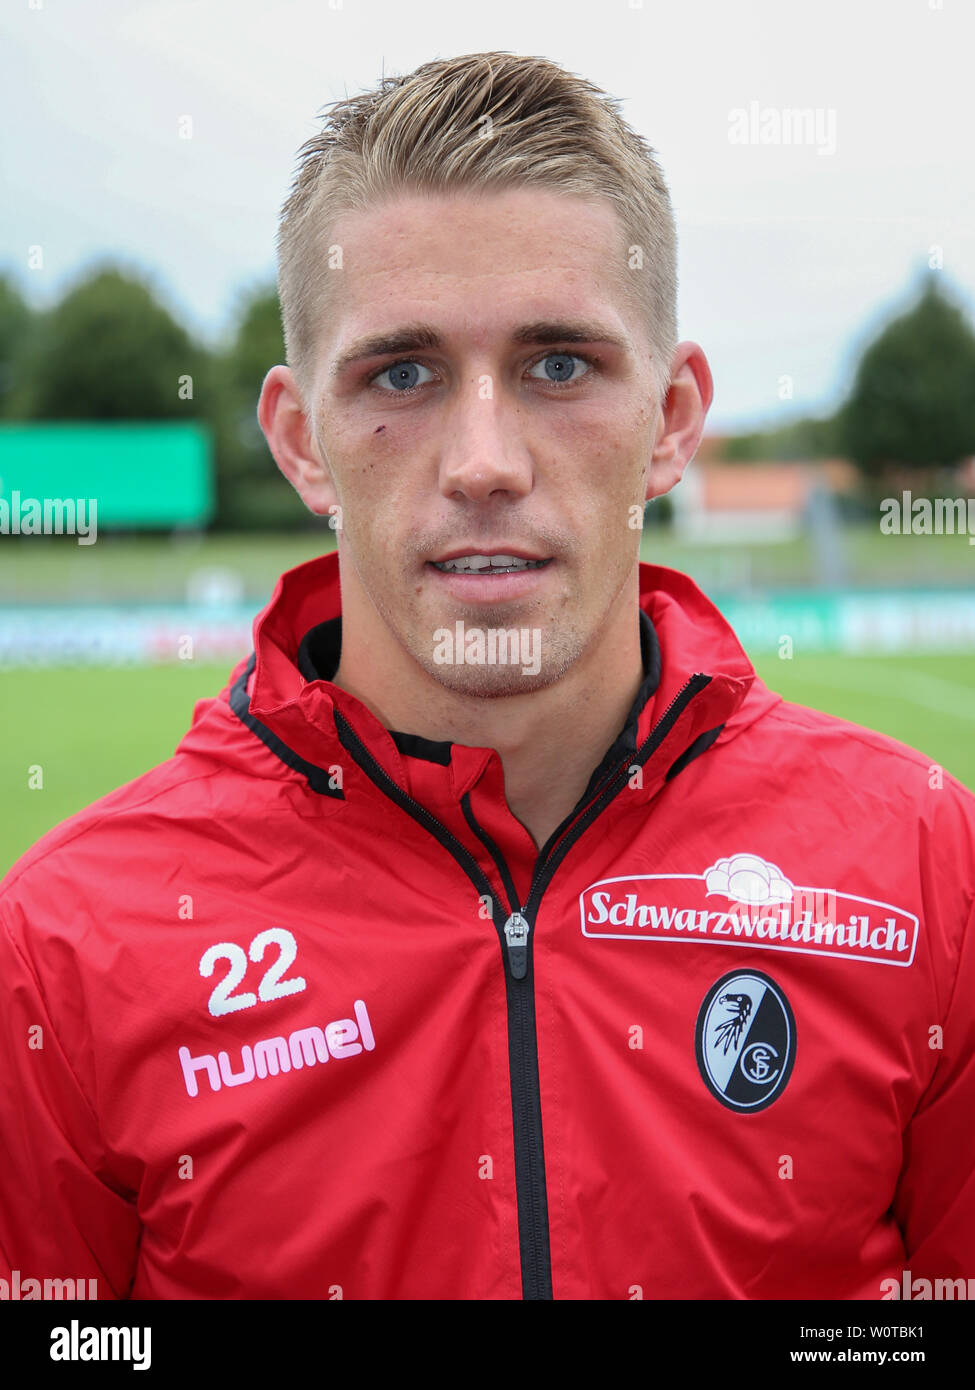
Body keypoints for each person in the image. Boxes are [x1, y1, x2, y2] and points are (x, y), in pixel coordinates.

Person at [1, 50, 973, 1303]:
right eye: (400, 374)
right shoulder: (66, 941)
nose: (483, 460)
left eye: (559, 365)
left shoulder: (926, 867)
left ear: (673, 419)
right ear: (304, 442)